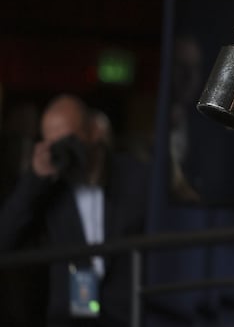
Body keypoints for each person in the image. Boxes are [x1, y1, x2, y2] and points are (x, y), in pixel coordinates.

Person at [0, 94, 150, 327]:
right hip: (71, 317)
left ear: (94, 131)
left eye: (69, 140)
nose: (64, 150)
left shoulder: (134, 175)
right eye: (54, 144)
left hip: (128, 314)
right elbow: (5, 236)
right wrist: (35, 178)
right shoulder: (49, 191)